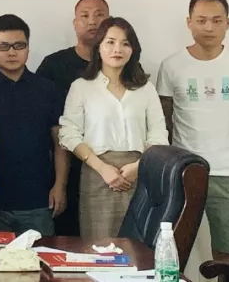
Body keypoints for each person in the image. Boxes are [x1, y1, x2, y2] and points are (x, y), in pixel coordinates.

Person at [157, 0, 229, 265]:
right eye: (201, 20)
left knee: (227, 254)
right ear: (189, 22)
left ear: (228, 23)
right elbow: (164, 119)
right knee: (172, 250)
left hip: (227, 171)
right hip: (183, 171)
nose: (209, 27)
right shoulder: (171, 65)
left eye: (216, 20)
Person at [59, 16, 167, 239]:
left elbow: (158, 134)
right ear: (98, 47)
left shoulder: (145, 89)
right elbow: (68, 133)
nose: (117, 49)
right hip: (98, 173)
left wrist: (138, 167)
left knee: (138, 245)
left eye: (125, 43)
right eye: (110, 42)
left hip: (140, 173)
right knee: (98, 246)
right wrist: (102, 168)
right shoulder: (81, 87)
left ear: (133, 50)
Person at [0, 14, 68, 236]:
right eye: (3, 46)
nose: (11, 52)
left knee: (39, 257)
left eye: (19, 45)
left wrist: (60, 186)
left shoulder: (47, 89)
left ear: (28, 48)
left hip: (38, 201)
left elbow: (60, 143)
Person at [37, 0, 109, 235]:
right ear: (75, 23)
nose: (92, 21)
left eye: (99, 15)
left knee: (107, 239)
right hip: (64, 165)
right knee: (66, 237)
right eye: (85, 16)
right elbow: (44, 122)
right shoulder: (54, 65)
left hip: (108, 167)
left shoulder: (122, 64)